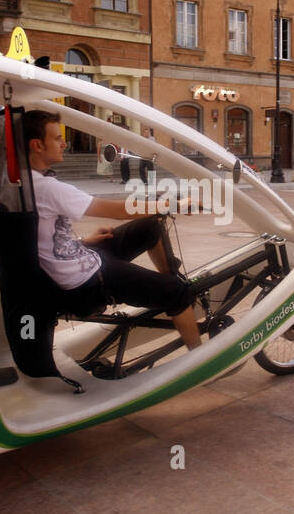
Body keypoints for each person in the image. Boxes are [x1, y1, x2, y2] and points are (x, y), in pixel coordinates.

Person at [24, 109, 201, 350]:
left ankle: (168, 291)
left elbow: (39, 240)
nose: (64, 144)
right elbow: (120, 210)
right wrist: (174, 204)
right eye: (57, 138)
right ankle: (194, 344)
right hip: (85, 283)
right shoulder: (47, 188)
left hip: (77, 263)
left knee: (149, 227)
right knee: (177, 291)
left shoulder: (23, 182)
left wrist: (84, 241)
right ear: (37, 145)